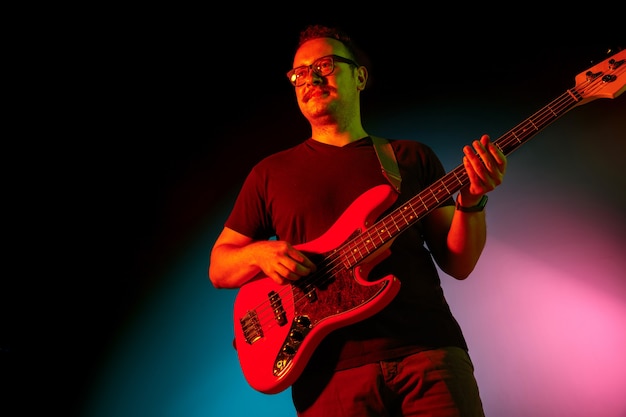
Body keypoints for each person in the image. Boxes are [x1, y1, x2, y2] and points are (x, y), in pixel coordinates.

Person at [209, 24, 507, 417]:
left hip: (428, 353)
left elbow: (459, 263)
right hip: (327, 373)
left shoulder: (408, 157)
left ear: (359, 77)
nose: (311, 78)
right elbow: (220, 266)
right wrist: (261, 254)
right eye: (299, 73)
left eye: (326, 65)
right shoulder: (269, 173)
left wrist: (471, 201)